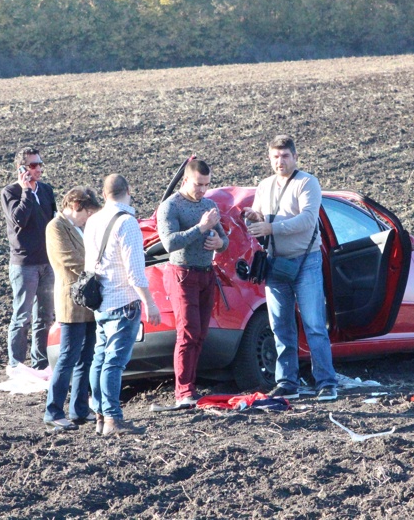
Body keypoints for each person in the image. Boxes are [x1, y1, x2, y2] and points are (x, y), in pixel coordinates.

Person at [242, 135, 338, 401]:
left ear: (295, 157)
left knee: (314, 324)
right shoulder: (264, 186)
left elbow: (308, 220)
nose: (279, 162)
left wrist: (271, 227)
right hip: (275, 262)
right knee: (280, 326)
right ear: (269, 159)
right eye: (275, 157)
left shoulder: (308, 182)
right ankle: (286, 382)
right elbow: (260, 215)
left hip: (306, 261)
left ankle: (326, 383)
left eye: (285, 156)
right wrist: (254, 216)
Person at [84, 174, 161, 436]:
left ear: (104, 195)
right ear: (128, 190)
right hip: (123, 302)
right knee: (113, 363)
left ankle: (99, 416)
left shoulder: (92, 220)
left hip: (101, 302)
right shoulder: (127, 223)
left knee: (99, 359)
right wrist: (149, 303)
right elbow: (135, 273)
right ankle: (113, 419)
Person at [157, 160, 229, 407]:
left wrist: (220, 243)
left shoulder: (209, 205)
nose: (203, 190)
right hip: (182, 274)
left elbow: (224, 239)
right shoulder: (171, 206)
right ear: (186, 180)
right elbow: (170, 244)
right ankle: (183, 391)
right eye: (199, 184)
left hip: (206, 273)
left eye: (207, 185)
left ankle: (191, 386)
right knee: (187, 332)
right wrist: (201, 228)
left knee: (200, 333)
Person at [44, 187, 102, 431]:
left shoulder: (80, 227)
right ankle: (53, 411)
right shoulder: (55, 227)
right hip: (71, 300)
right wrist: (100, 263)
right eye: (87, 213)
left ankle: (79, 408)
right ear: (76, 205)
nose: (89, 218)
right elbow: (70, 260)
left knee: (85, 358)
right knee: (67, 357)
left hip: (88, 300)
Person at [0, 147, 56, 370]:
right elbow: (19, 220)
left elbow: (53, 221)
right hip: (24, 265)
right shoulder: (10, 192)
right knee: (22, 316)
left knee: (45, 316)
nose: (39, 169)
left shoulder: (46, 190)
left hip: (47, 261)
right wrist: (26, 191)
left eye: (40, 164)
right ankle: (16, 366)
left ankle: (41, 363)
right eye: (33, 165)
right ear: (21, 168)